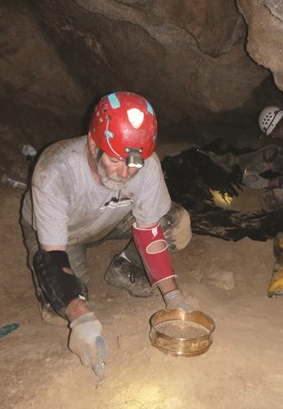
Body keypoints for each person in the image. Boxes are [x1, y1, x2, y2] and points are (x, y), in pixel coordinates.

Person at [21, 91, 196, 378]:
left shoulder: (145, 166)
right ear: (93, 144)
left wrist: (173, 296)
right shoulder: (55, 171)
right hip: (65, 236)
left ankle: (123, 267)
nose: (126, 172)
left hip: (111, 219)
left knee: (175, 224)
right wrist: (80, 318)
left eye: (134, 162)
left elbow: (150, 231)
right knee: (62, 310)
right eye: (116, 161)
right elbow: (52, 255)